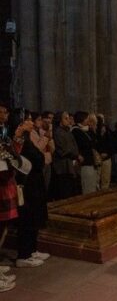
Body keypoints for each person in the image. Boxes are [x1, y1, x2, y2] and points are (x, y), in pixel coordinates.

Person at [0, 103, 31, 292]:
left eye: (5, 111)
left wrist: (18, 137)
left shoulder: (3, 131)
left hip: (5, 183)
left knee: (3, 227)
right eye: (1, 111)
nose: (5, 114)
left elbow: (11, 154)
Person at [13, 111, 50, 268]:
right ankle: (24, 254)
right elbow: (36, 157)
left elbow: (39, 157)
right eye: (28, 120)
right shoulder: (20, 140)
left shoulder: (27, 138)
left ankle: (32, 250)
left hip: (35, 181)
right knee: (27, 218)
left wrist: (40, 157)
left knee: (34, 216)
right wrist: (41, 157)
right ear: (20, 124)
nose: (32, 123)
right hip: (27, 183)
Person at [51, 111, 80, 200]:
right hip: (63, 167)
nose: (69, 121)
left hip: (70, 165)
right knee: (65, 192)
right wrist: (75, 154)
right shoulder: (58, 132)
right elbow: (63, 150)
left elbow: (74, 145)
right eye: (66, 118)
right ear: (60, 120)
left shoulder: (67, 132)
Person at [71, 111, 98, 194]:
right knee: (87, 187)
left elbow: (95, 142)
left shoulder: (86, 130)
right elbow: (87, 144)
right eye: (87, 119)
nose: (88, 121)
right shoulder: (76, 131)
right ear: (82, 119)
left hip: (90, 161)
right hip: (84, 162)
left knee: (92, 185)